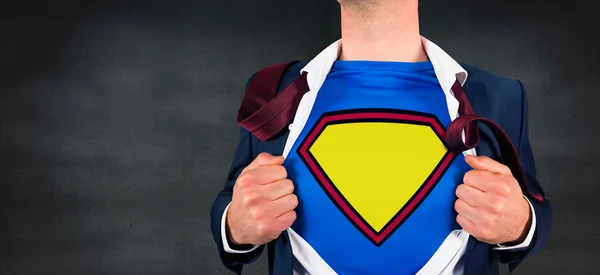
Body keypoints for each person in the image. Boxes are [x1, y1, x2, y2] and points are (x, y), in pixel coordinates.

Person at [210, 0, 553, 274]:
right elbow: (230, 202)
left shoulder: (499, 96)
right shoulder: (271, 91)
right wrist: (237, 226)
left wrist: (519, 223)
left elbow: (535, 208)